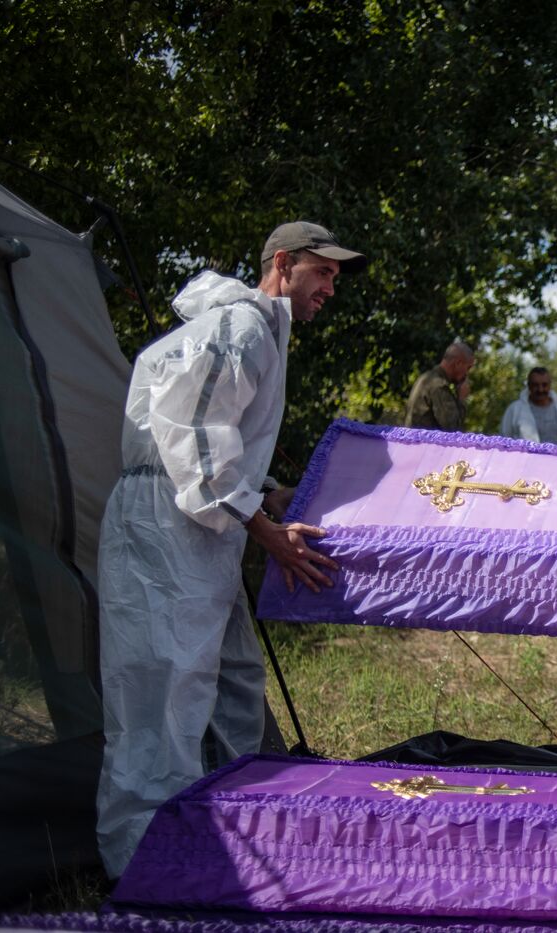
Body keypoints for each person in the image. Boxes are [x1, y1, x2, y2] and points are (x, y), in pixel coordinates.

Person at [97, 221, 365, 876]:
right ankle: (145, 864)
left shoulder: (252, 329)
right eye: (321, 271)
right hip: (166, 524)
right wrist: (269, 532)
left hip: (194, 520)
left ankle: (241, 828)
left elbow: (214, 435)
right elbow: (192, 434)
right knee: (162, 688)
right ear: (282, 264)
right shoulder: (241, 326)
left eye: (334, 275)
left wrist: (270, 492)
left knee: (233, 677)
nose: (331, 286)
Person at [406, 340, 474, 431]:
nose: (467, 373)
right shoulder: (439, 386)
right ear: (458, 363)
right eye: (468, 367)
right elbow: (452, 429)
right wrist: (461, 399)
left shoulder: (426, 378)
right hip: (425, 444)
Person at [499, 366, 557, 445]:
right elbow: (504, 441)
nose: (540, 389)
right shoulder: (514, 410)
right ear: (529, 386)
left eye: (544, 385)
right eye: (535, 385)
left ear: (550, 385)